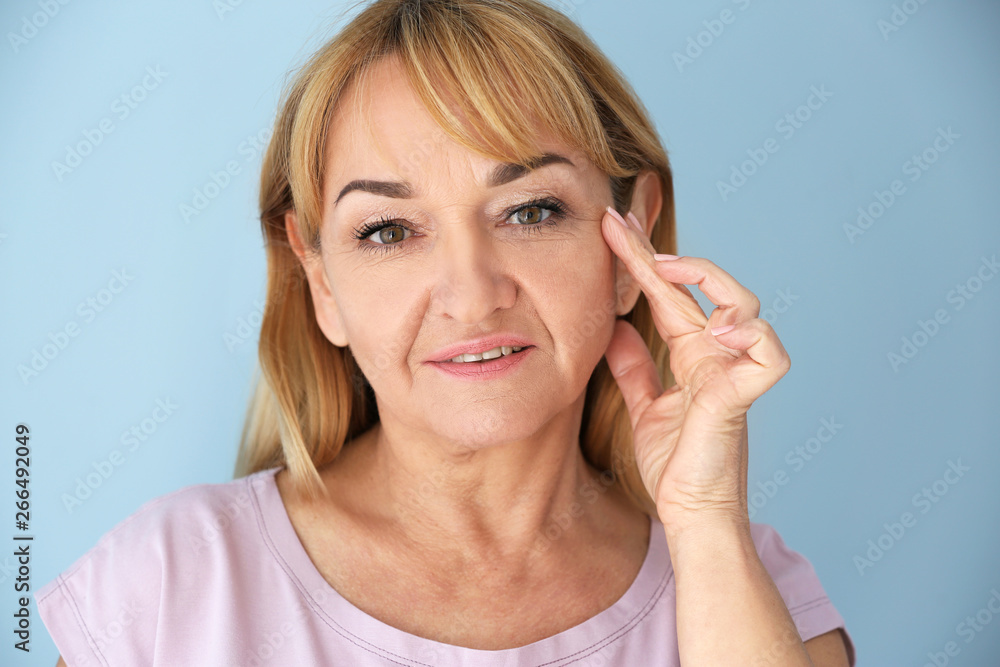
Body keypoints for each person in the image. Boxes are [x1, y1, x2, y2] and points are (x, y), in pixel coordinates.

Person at [38, 0, 856, 664]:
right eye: (389, 230)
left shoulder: (758, 598)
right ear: (320, 279)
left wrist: (706, 522)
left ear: (630, 243)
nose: (471, 294)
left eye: (532, 210)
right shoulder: (163, 590)